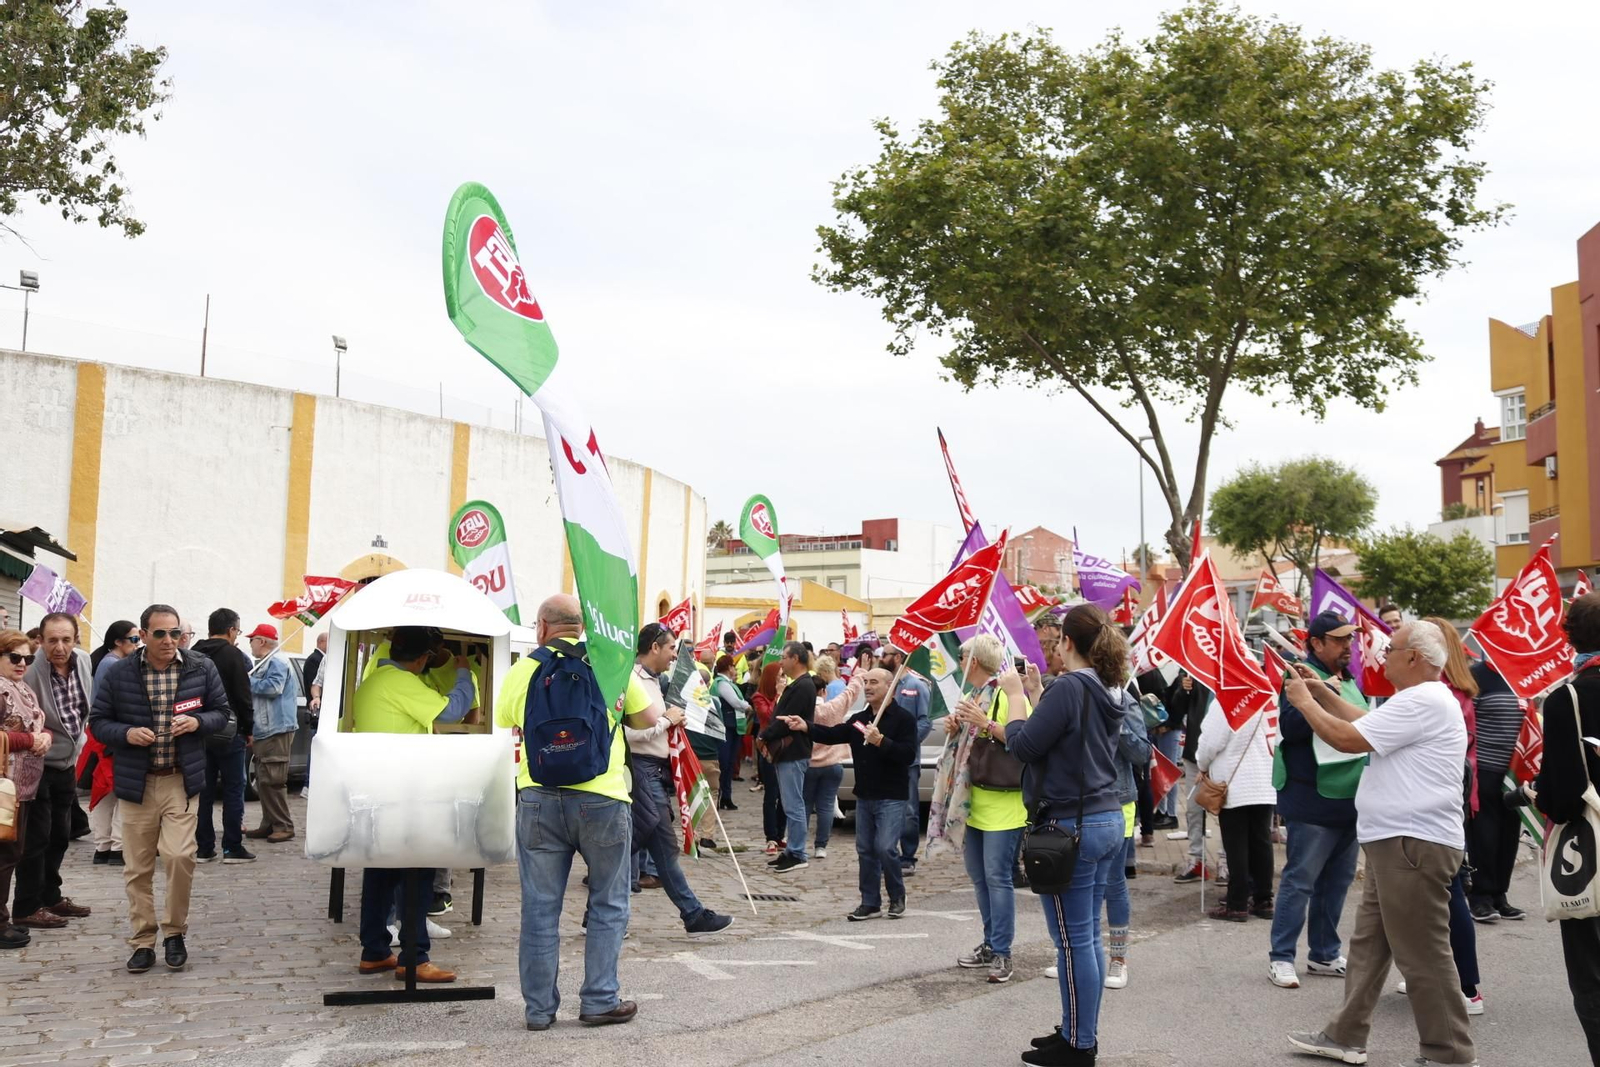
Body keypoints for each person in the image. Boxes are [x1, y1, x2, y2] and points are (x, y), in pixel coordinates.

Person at [1284, 621, 1475, 1067]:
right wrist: (1321, 692)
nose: (1382, 655)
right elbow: (1366, 724)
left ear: (1414, 658)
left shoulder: (1422, 699)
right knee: (1369, 945)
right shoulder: (1421, 698)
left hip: (1411, 843)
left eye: (1391, 648)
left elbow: (1347, 739)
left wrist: (1304, 703)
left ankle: (1450, 1053)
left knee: (1423, 952)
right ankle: (1344, 1035)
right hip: (1397, 842)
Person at [497, 595, 654, 1030]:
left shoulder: (524, 669)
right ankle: (600, 999)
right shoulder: (607, 663)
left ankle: (538, 1010)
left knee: (539, 908)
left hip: (538, 796)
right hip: (602, 796)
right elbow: (648, 717)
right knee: (608, 900)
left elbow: (506, 718)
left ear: (542, 627)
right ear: (581, 627)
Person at [1007, 605, 1132, 1066]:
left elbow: (1023, 745)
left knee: (1073, 940)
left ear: (1069, 643)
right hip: (1104, 816)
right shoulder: (1107, 686)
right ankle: (1077, 1030)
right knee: (1086, 937)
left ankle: (1080, 1044)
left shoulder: (1070, 686)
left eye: (1058, 638)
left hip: (1070, 824)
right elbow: (1069, 737)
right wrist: (1037, 693)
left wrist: (1016, 697)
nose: (1055, 646)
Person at [89, 604, 231, 974]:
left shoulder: (200, 667)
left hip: (181, 780)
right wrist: (126, 733)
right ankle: (142, 940)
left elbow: (222, 714)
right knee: (137, 867)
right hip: (137, 782)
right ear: (143, 635)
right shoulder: (120, 672)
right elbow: (98, 721)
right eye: (160, 633)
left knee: (180, 856)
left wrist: (197, 722)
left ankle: (175, 932)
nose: (169, 640)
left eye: (175, 633)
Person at [349, 625, 473, 984]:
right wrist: (463, 672)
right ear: (422, 659)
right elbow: (451, 712)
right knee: (418, 873)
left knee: (380, 873)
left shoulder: (375, 680)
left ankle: (375, 950)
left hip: (379, 790)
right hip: (406, 793)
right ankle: (414, 957)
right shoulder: (402, 683)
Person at [1267, 610, 1365, 989]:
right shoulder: (1298, 676)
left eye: (1349, 639)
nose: (1347, 646)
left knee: (1337, 882)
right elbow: (1290, 728)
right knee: (1301, 881)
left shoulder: (1349, 678)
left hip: (1348, 797)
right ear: (1316, 643)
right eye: (1339, 640)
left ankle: (1324, 953)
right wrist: (1321, 696)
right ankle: (1281, 957)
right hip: (1311, 798)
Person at [622, 624, 735, 934]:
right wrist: (665, 722)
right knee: (637, 848)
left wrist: (671, 721)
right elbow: (621, 734)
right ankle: (691, 914)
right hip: (641, 771)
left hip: (654, 773)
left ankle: (692, 914)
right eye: (672, 648)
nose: (675, 655)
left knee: (653, 849)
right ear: (654, 647)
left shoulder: (654, 682)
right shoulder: (630, 680)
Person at [780, 667, 917, 920]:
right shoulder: (860, 718)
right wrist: (806, 727)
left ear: (890, 688)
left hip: (891, 795)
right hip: (865, 794)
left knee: (886, 848)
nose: (868, 687)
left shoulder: (903, 719)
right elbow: (834, 734)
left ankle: (897, 896)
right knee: (865, 849)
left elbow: (908, 755)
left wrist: (881, 741)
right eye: (866, 682)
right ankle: (870, 902)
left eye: (874, 682)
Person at [1530, 590, 1600, 1063]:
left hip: (1591, 855)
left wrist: (1538, 793)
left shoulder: (1567, 698)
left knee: (1592, 976)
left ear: (1570, 637)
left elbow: (1566, 796)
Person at [946, 633, 1030, 985]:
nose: (959, 664)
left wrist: (985, 724)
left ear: (974, 662)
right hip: (974, 802)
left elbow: (1023, 741)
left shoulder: (1009, 695)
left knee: (998, 878)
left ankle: (1003, 952)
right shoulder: (972, 695)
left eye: (962, 658)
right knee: (980, 878)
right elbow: (966, 746)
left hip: (1005, 805)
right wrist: (956, 729)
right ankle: (990, 942)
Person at [1420, 615, 1487, 1015]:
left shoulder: (1441, 694)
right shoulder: (1456, 691)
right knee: (1442, 895)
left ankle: (1467, 987)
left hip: (1442, 806)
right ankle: (1438, 976)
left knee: (1450, 895)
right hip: (1453, 803)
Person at [15, 612, 95, 930]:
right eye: (52, 640)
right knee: (37, 838)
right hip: (36, 763)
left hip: (68, 762)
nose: (59, 647)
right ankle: (27, 906)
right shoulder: (29, 667)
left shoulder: (84, 661)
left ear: (76, 639)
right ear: (40, 640)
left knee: (61, 834)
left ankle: (51, 896)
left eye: (66, 640)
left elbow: (83, 708)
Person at [0, 630, 53, 949]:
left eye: (28, 658)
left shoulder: (21, 687)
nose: (22, 663)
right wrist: (31, 740)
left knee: (13, 853)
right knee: (4, 855)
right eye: (14, 657)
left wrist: (44, 736)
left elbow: (34, 724)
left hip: (24, 785)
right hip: (5, 787)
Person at [191, 610, 255, 864]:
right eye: (237, 631)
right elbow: (243, 694)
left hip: (198, 729)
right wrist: (248, 728)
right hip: (230, 730)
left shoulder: (193, 652)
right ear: (231, 630)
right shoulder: (232, 654)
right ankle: (232, 847)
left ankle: (204, 847)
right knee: (233, 789)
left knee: (203, 791)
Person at [1101, 674, 1151, 989]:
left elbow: (1142, 753)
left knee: (1113, 881)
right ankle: (1078, 951)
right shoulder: (1075, 693)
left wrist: (1117, 724)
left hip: (1118, 800)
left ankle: (1118, 959)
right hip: (1081, 800)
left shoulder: (1124, 700)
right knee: (1080, 882)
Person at [1466, 655, 1525, 920]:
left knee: (1509, 834)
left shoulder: (1523, 675)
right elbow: (1467, 722)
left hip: (1515, 772)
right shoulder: (1477, 675)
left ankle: (1500, 895)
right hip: (1485, 769)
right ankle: (1480, 897)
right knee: (1484, 834)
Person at [759, 642, 819, 873]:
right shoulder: (797, 685)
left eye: (784, 657)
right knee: (789, 803)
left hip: (793, 752)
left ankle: (798, 852)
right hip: (788, 753)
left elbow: (785, 720)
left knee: (794, 806)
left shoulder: (803, 686)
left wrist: (765, 735)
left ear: (795, 659)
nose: (781, 662)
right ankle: (791, 851)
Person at [881, 644, 933, 875]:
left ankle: (908, 857)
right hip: (883, 757)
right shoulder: (884, 685)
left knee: (909, 810)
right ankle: (886, 853)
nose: (881, 658)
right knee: (884, 807)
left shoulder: (915, 686)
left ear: (898, 657)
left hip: (906, 761)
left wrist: (907, 745)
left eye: (885, 654)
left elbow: (925, 721)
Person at [805, 657, 864, 859]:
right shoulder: (832, 708)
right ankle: (821, 846)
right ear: (824, 691)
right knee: (826, 806)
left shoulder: (804, 712)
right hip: (833, 764)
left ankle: (799, 843)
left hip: (809, 764)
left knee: (805, 806)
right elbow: (850, 693)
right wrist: (860, 674)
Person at [1169, 671, 1216, 883]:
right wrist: (1184, 690)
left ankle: (1226, 862)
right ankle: (1196, 860)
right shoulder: (1193, 670)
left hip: (1223, 757)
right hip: (1194, 754)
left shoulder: (1231, 669)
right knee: (1194, 809)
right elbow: (1176, 712)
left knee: (1226, 812)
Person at [752, 663, 785, 851]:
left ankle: (780, 834)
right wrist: (778, 696)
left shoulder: (786, 694)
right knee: (771, 794)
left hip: (785, 747)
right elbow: (770, 716)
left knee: (784, 795)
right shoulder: (759, 697)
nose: (782, 679)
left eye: (784, 675)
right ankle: (771, 837)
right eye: (779, 675)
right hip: (769, 749)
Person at [711, 655, 748, 810]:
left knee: (729, 763)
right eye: (733, 666)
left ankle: (726, 796)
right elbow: (735, 702)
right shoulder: (722, 683)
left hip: (731, 727)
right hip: (725, 727)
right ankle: (720, 796)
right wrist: (747, 706)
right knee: (724, 763)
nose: (735, 669)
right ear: (728, 668)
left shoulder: (727, 683)